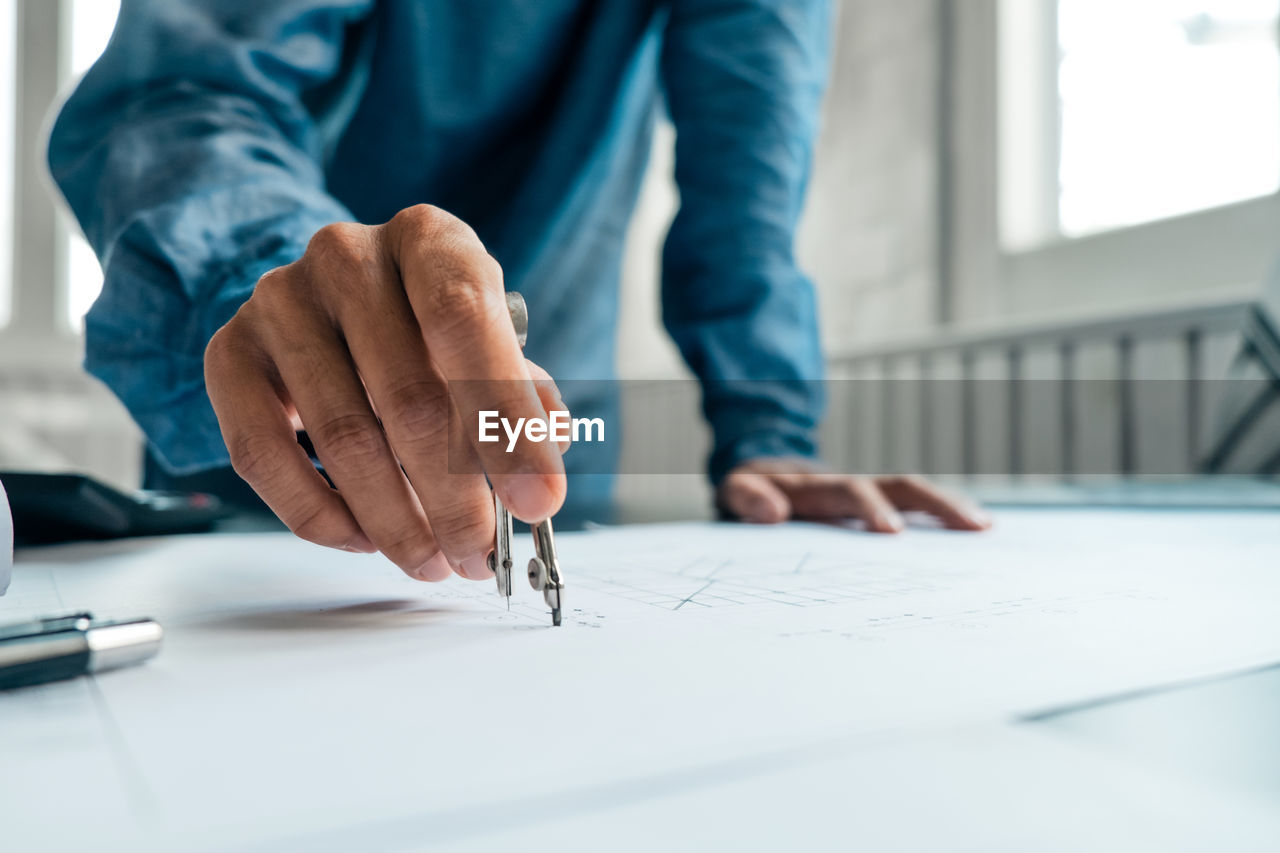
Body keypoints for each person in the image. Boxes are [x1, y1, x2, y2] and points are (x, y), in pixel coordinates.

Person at [48, 0, 990, 584]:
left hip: (551, 441)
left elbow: (750, 159)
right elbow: (182, 93)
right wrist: (283, 281)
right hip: (270, 425)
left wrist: (770, 437)